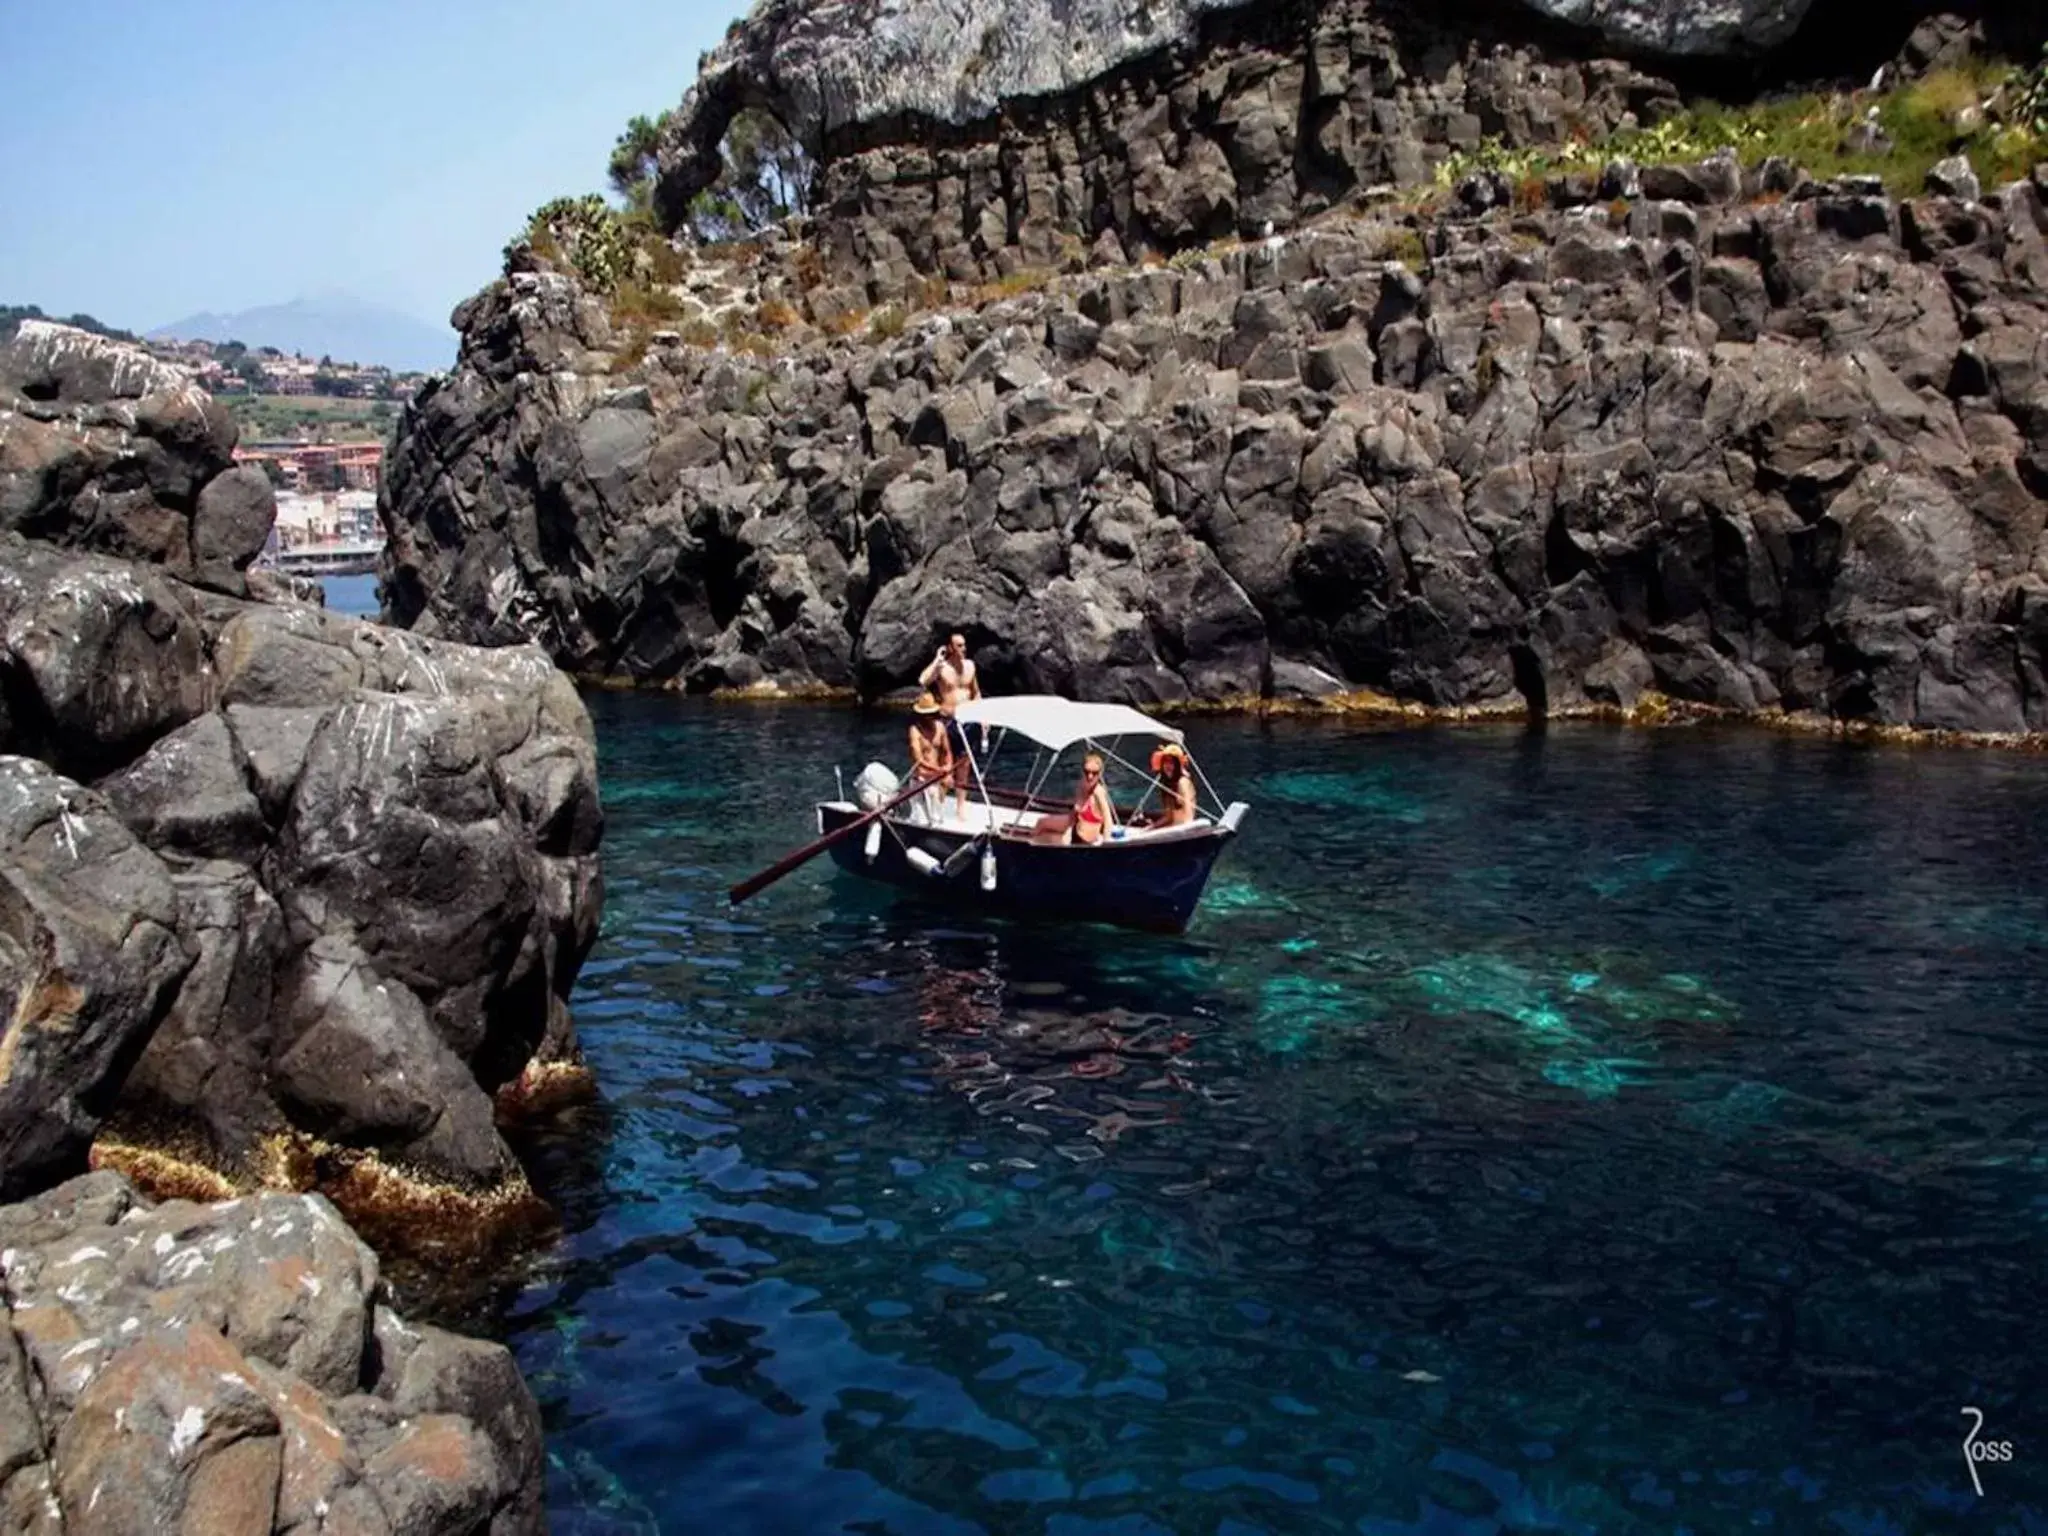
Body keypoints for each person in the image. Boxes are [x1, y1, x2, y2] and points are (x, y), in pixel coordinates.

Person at [1027, 753, 1116, 845]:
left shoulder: (1098, 792)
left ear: (1100, 773)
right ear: (1082, 770)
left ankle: (1029, 849)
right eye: (1087, 772)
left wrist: (1105, 843)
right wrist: (1068, 831)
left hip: (1083, 838)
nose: (1090, 776)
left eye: (1095, 773)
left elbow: (1108, 820)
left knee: (1045, 838)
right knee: (1042, 823)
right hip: (1074, 826)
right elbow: (1075, 814)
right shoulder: (1081, 785)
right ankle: (1028, 847)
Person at [906, 694, 953, 825]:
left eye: (932, 713)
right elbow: (918, 759)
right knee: (921, 819)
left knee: (937, 816)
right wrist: (939, 770)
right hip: (921, 778)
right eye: (927, 714)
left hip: (936, 778)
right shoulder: (914, 731)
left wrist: (948, 768)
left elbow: (947, 751)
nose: (930, 717)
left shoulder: (940, 727)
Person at [1148, 742, 1197, 827]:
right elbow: (1168, 817)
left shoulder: (1183, 782)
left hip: (1184, 830)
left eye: (1171, 762)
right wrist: (1150, 828)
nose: (1167, 765)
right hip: (1174, 827)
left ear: (1177, 765)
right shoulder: (1168, 785)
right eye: (1165, 762)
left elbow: (1189, 816)